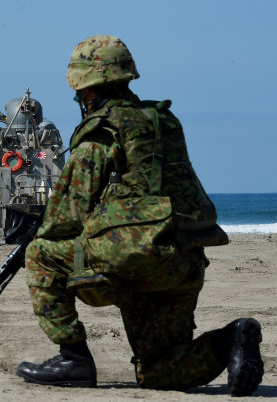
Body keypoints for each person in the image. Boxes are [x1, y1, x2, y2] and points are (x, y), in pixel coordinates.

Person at [16, 35, 263, 396]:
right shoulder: (163, 123)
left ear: (87, 90)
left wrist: (42, 236)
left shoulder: (102, 131)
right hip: (181, 261)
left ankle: (73, 357)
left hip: (130, 260)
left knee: (40, 254)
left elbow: (68, 213)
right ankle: (231, 340)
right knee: (162, 373)